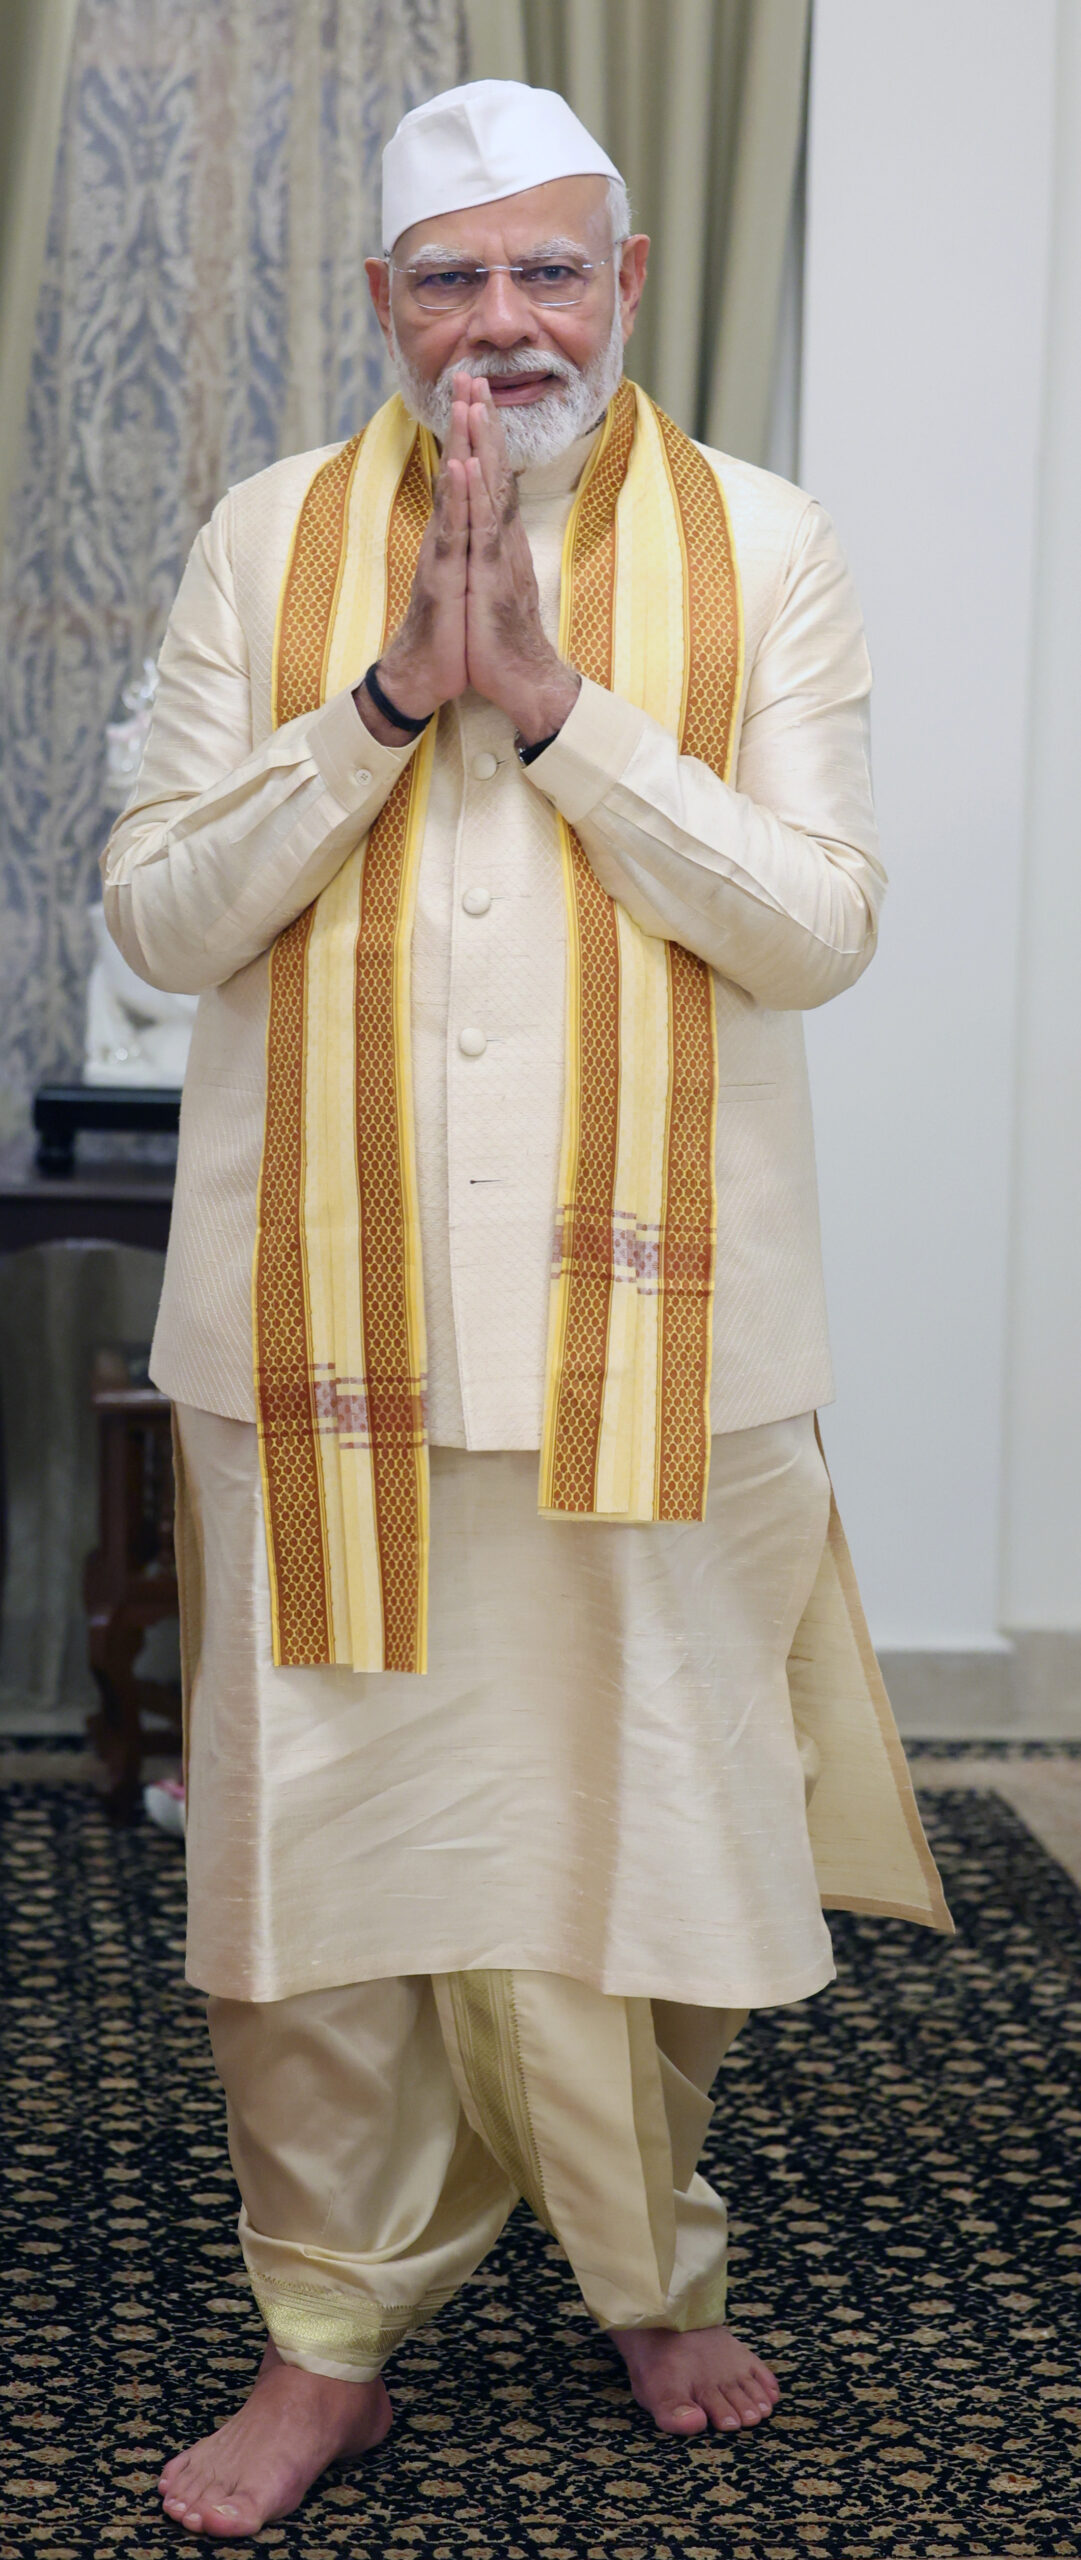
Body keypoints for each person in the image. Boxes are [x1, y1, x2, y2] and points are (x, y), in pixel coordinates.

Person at [101, 78, 952, 2541]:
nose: (501, 326)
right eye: (451, 279)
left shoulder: (764, 551)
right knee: (314, 1880)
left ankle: (643, 2260)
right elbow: (159, 921)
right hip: (312, 1340)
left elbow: (813, 923)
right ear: (383, 304)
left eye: (545, 273)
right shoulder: (262, 542)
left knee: (658, 1865)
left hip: (667, 1358)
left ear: (631, 280)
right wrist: (379, 702)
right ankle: (322, 2333)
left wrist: (560, 709)